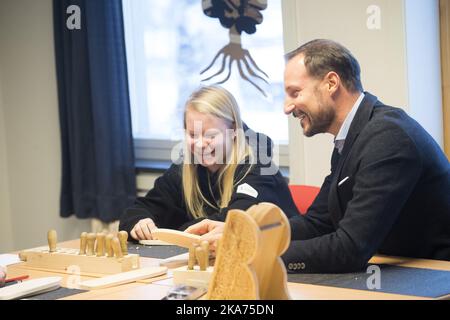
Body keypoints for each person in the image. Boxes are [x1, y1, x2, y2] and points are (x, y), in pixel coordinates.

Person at [186, 39, 450, 273]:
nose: (287, 107)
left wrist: (252, 249)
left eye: (295, 93)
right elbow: (318, 223)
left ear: (331, 83)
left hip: (433, 278)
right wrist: (241, 234)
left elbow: (349, 249)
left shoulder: (388, 138)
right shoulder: (354, 137)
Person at [119, 85, 298, 241]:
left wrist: (173, 233)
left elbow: (232, 220)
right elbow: (141, 209)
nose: (199, 144)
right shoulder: (186, 167)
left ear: (233, 130)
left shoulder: (259, 168)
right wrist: (140, 221)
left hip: (283, 268)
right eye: (192, 135)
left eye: (210, 135)